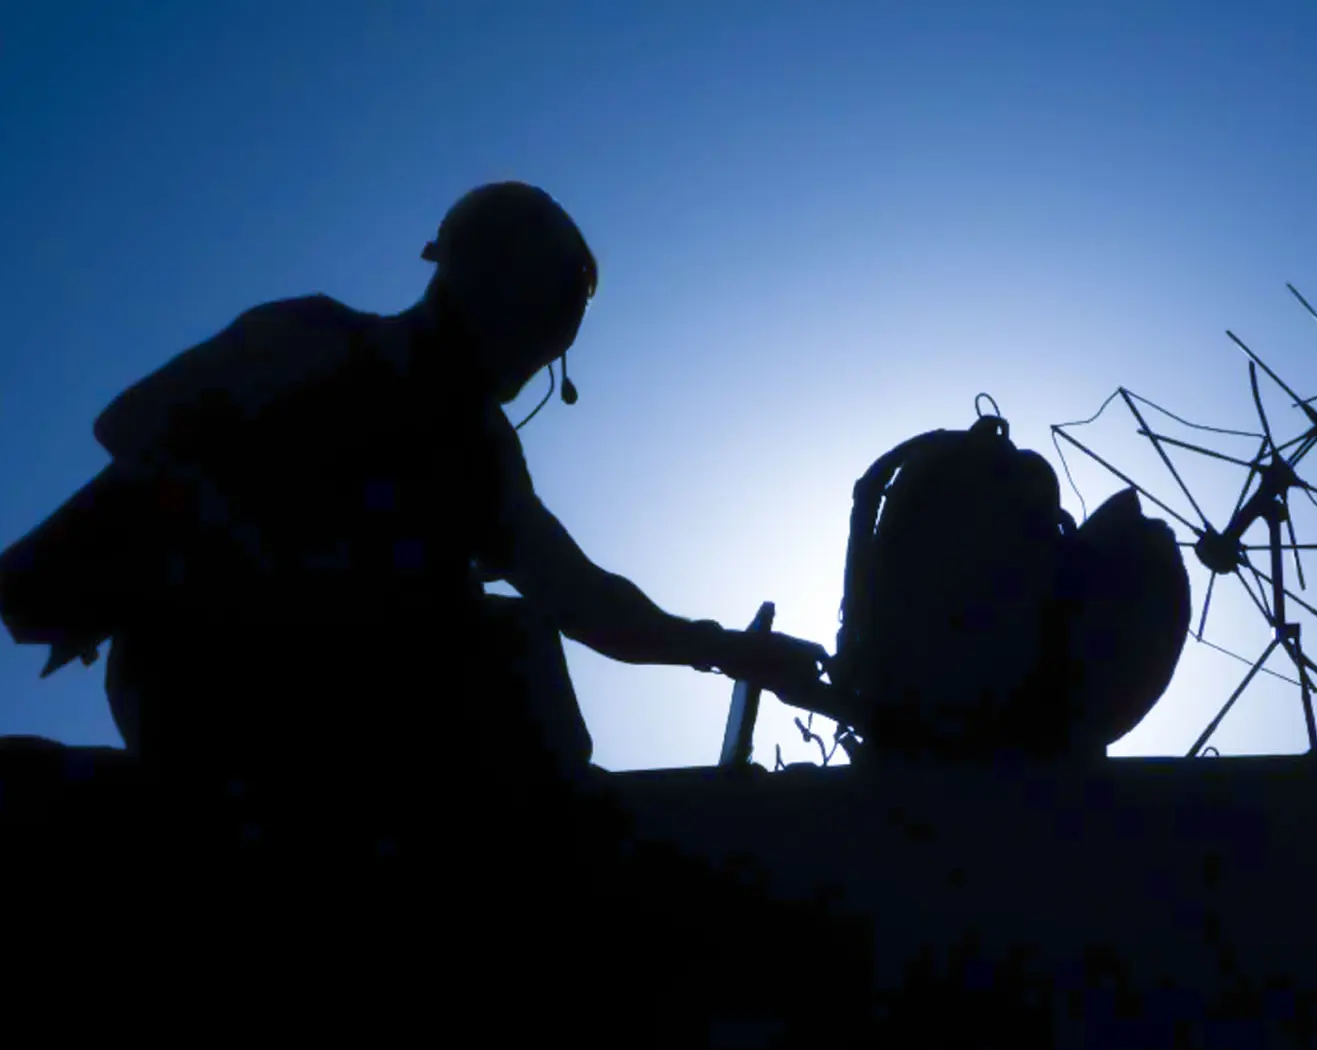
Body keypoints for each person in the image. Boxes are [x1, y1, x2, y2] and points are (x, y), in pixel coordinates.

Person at [91, 181, 825, 865]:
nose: (534, 358)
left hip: (324, 712)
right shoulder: (316, 346)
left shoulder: (473, 447)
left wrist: (727, 649)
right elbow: (130, 424)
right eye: (537, 325)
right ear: (485, 289)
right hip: (209, 693)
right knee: (506, 646)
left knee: (513, 646)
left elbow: (581, 597)